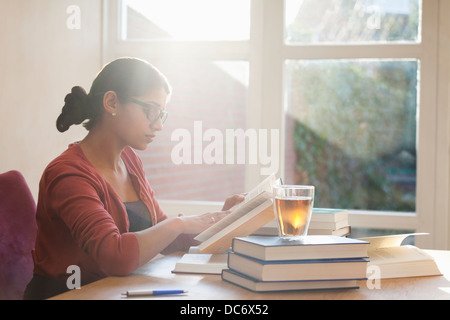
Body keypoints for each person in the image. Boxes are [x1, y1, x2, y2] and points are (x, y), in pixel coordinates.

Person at [24, 57, 245, 299]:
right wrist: (179, 223)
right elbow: (114, 256)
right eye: (150, 111)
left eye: (162, 114)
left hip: (113, 292)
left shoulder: (129, 160)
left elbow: (162, 235)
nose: (159, 125)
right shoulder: (68, 174)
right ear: (111, 102)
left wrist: (222, 221)